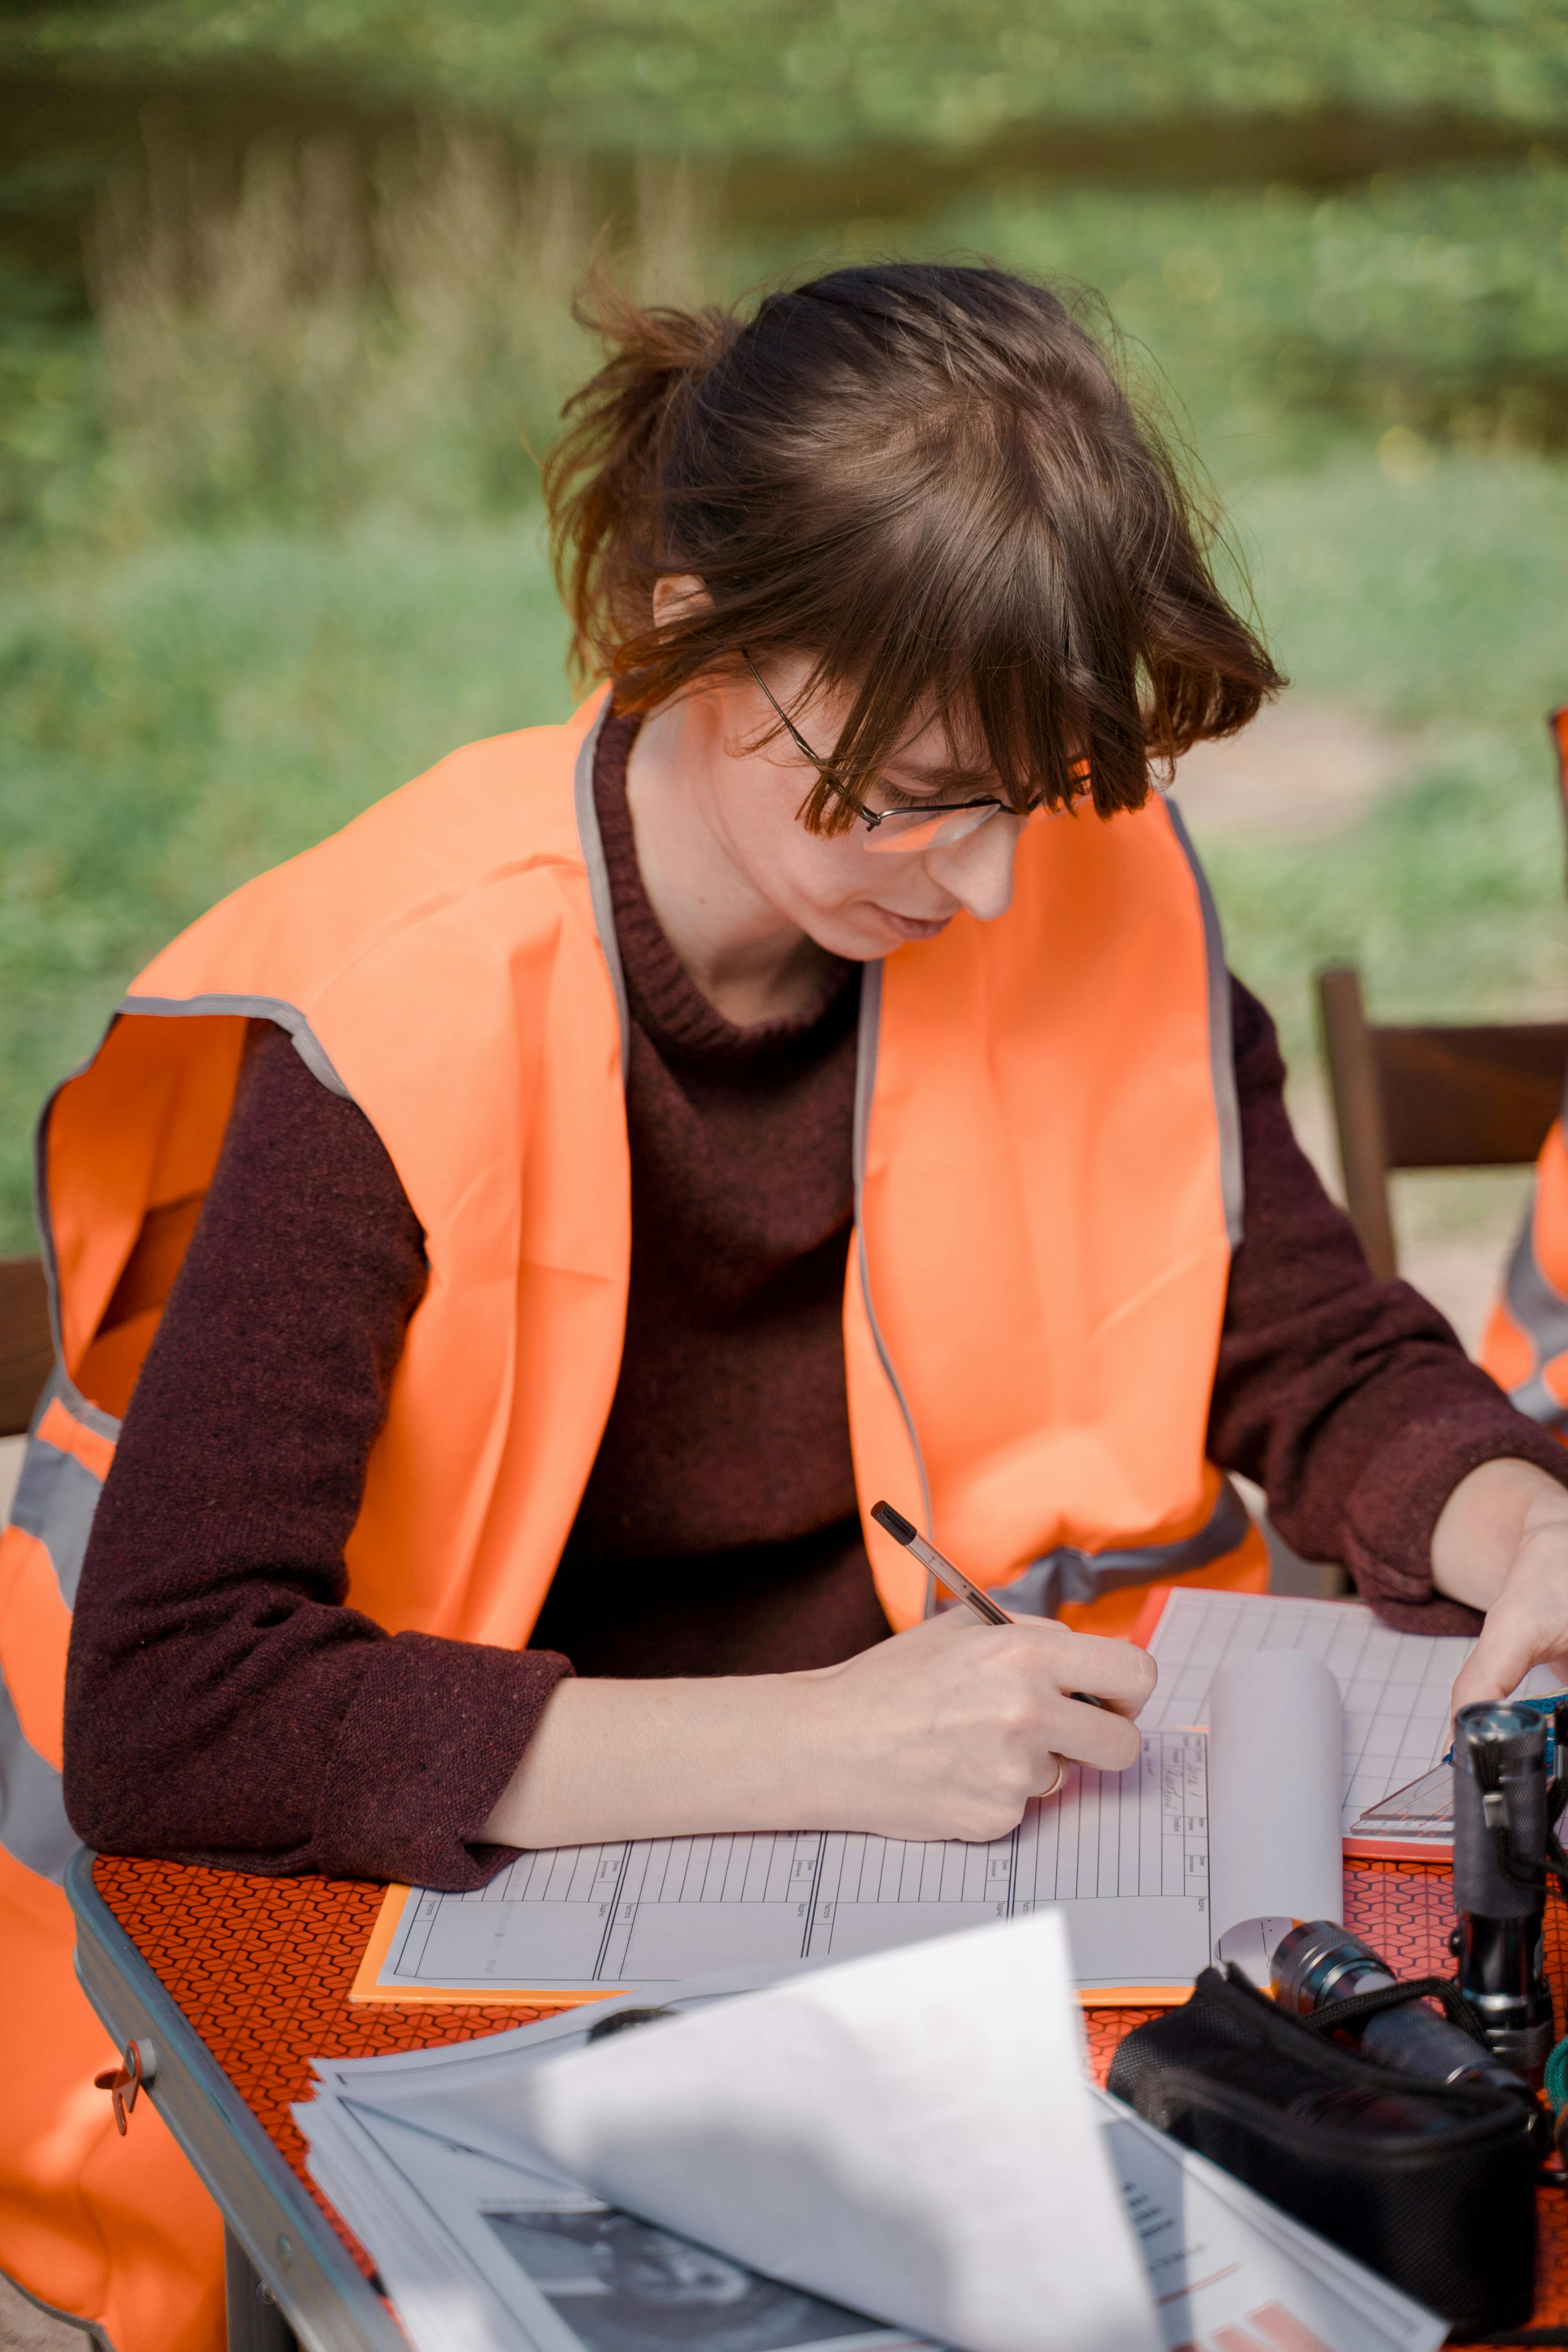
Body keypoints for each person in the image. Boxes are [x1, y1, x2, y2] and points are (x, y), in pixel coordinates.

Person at [5, 262, 1568, 2352]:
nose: (989, 884)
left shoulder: (1088, 877)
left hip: (1017, 1920)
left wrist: (1513, 1514)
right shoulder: (393, 1012)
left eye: (1024, 793)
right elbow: (172, 1715)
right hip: (473, 1948)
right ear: (692, 647)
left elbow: (1307, 1347)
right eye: (915, 791)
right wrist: (818, 1747)